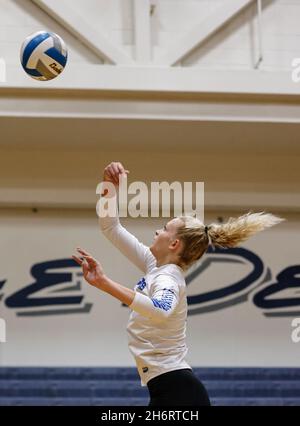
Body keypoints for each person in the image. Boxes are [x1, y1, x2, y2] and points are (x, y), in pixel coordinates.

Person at [72, 161, 285, 407]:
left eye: (164, 229)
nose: (156, 232)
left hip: (179, 393)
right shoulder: (155, 266)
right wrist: (110, 187)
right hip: (169, 389)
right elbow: (110, 226)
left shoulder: (168, 278)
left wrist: (104, 283)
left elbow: (160, 309)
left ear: (174, 244)